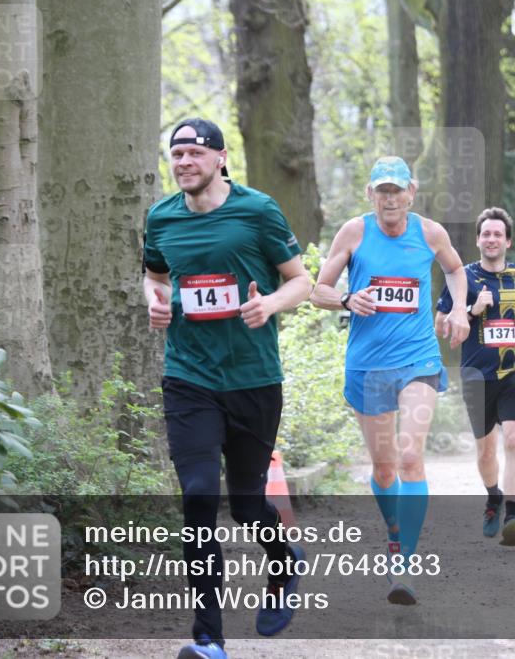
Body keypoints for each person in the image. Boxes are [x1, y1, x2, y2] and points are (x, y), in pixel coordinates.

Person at [143, 118, 312, 659]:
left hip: (253, 380)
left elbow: (301, 280)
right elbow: (154, 274)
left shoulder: (257, 210)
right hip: (188, 378)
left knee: (244, 504)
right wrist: (154, 297)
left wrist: (269, 304)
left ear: (219, 158)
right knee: (197, 495)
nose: (184, 162)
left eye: (194, 152)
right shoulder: (161, 217)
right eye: (176, 154)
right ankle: (209, 638)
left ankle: (284, 563)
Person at [311, 156, 469, 605]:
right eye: (383, 191)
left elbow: (456, 269)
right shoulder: (354, 232)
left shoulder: (431, 232)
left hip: (418, 359)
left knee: (409, 455)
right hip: (368, 365)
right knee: (383, 468)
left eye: (397, 190)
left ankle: (405, 563)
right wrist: (346, 297)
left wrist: (457, 307)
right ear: (371, 195)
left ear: (411, 192)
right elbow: (317, 290)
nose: (391, 199)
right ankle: (395, 531)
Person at [435, 207, 515, 547]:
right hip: (476, 373)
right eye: (486, 233)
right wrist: (471, 311)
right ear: (478, 239)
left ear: (508, 241)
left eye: (498, 234)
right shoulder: (462, 278)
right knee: (486, 452)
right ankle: (493, 497)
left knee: (514, 440)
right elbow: (440, 325)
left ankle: (512, 516)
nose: (492, 239)